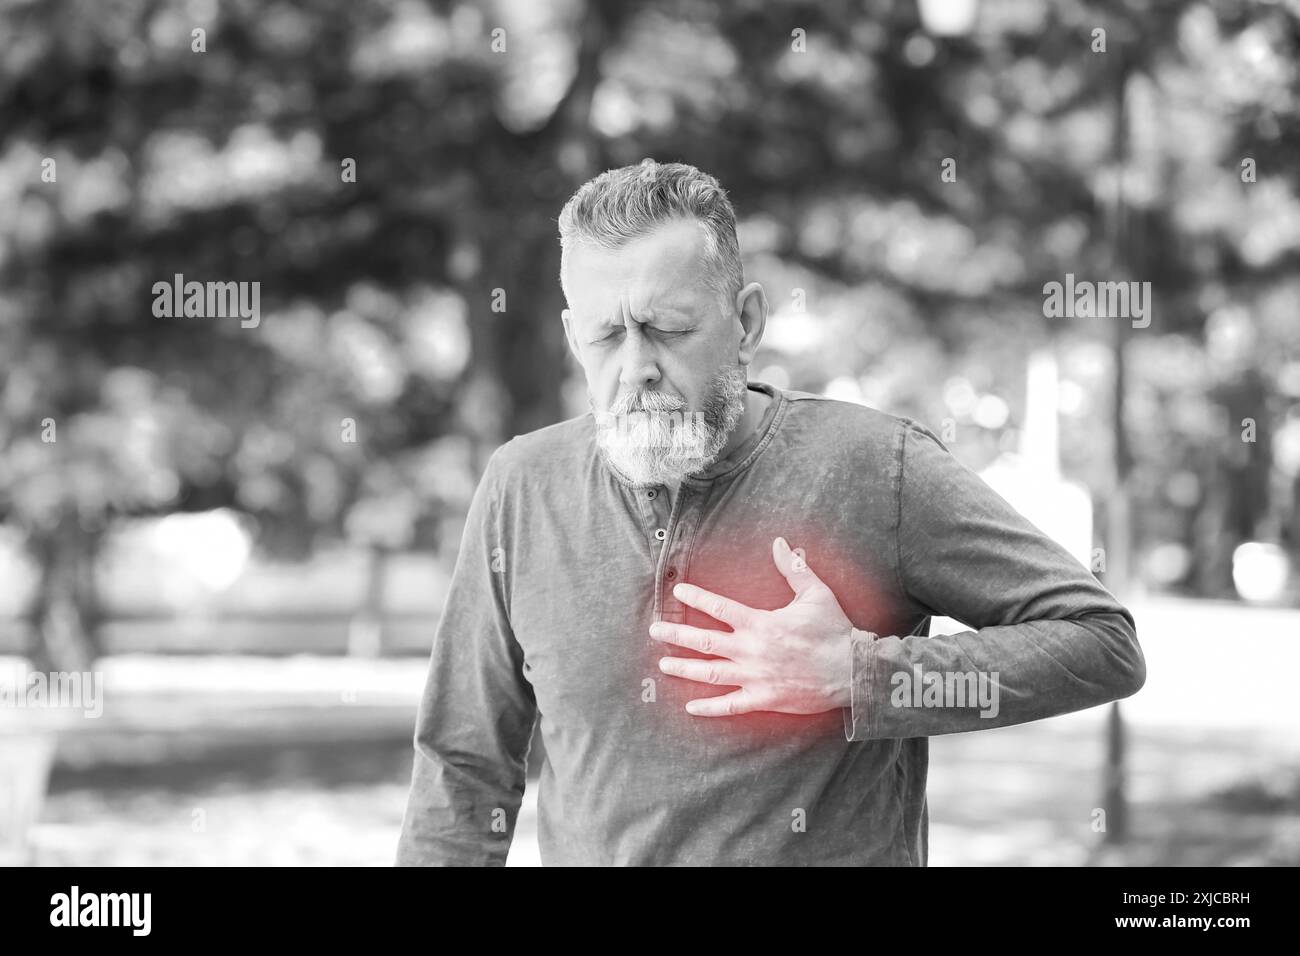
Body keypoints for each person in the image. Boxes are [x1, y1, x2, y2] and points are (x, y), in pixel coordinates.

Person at [394, 161, 1145, 866]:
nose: (636, 366)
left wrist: (863, 674)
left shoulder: (875, 467)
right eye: (605, 337)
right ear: (571, 339)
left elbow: (1102, 644)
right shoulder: (520, 488)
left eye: (669, 328)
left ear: (746, 322)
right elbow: (463, 766)